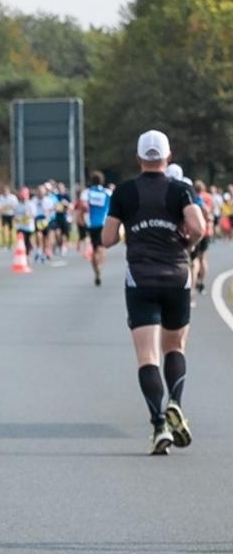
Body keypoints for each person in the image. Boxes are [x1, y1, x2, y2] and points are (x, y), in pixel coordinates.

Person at [102, 130, 205, 455]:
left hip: (140, 278)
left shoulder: (125, 191)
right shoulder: (180, 189)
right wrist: (186, 245)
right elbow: (200, 227)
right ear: (168, 156)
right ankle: (175, 402)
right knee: (175, 347)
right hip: (176, 275)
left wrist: (130, 230)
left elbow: (106, 239)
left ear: (139, 159)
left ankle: (159, 424)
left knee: (147, 356)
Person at [80, 172, 112, 286]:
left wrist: (82, 220)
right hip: (103, 224)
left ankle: (95, 271)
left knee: (94, 249)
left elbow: (82, 207)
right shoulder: (108, 193)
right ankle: (100, 267)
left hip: (91, 224)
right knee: (102, 248)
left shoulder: (86, 193)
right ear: (102, 181)